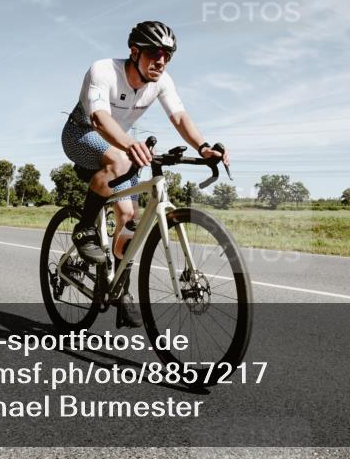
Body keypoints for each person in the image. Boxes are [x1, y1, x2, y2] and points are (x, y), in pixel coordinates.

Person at [61, 20, 230, 328]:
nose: (161, 61)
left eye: (168, 55)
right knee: (120, 160)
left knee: (129, 219)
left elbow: (179, 117)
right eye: (154, 53)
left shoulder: (162, 82)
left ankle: (119, 289)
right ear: (135, 52)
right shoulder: (103, 70)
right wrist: (129, 145)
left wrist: (203, 146)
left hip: (117, 142)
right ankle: (84, 229)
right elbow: (99, 119)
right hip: (80, 134)